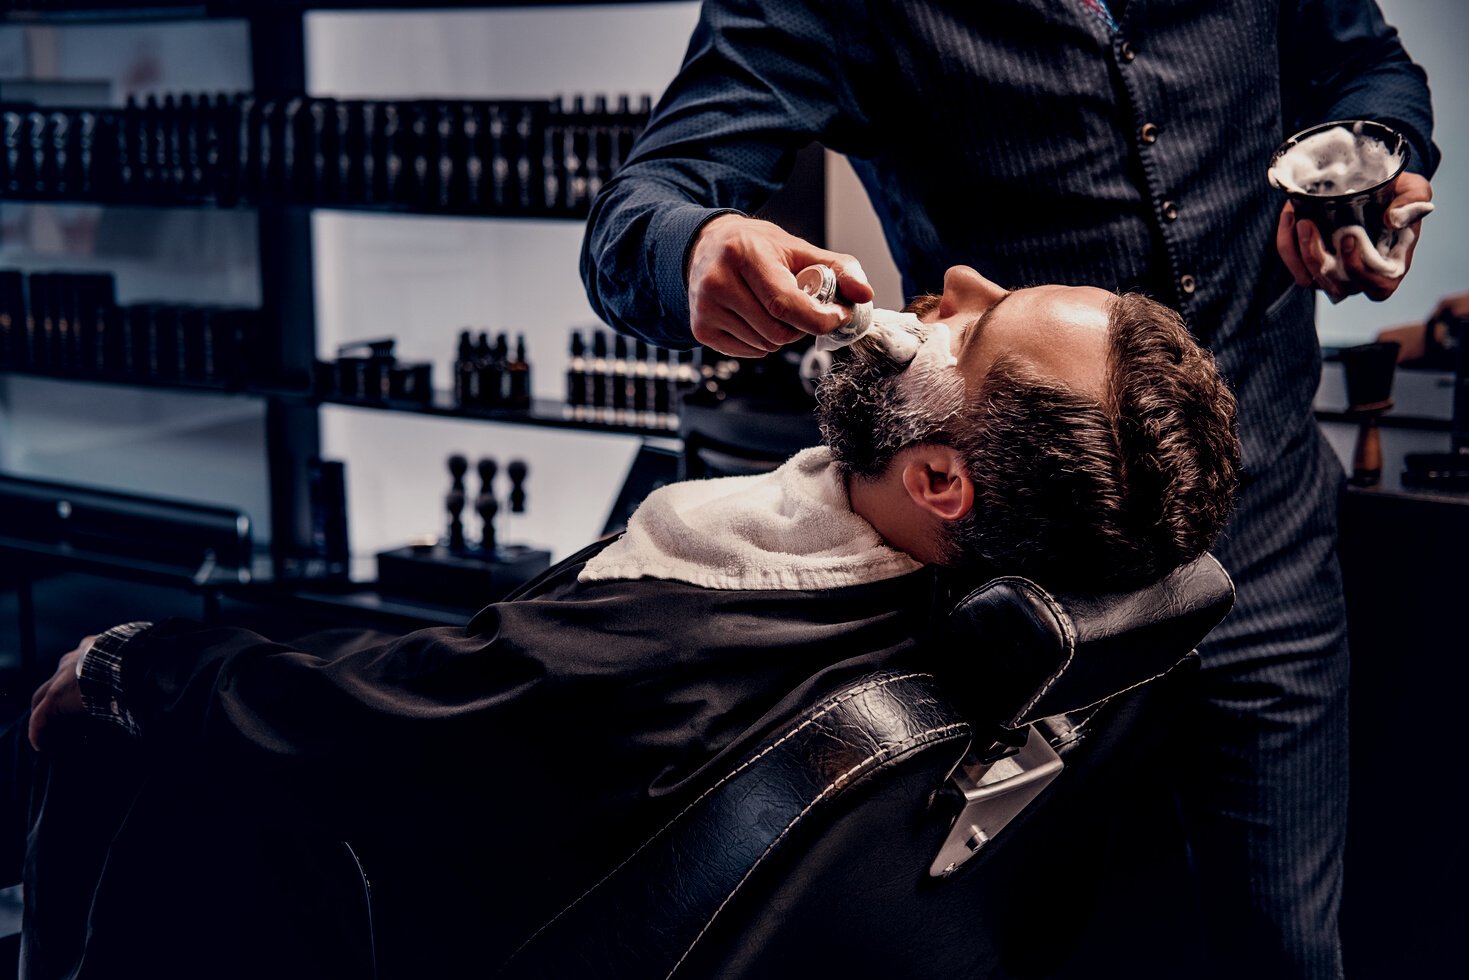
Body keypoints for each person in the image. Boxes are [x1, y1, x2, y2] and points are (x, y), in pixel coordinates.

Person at [12, 269, 1238, 979]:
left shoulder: (670, 650)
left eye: (968, 331)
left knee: (160, 763)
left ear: (936, 486)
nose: (949, 288)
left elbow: (376, 720)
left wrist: (135, 671)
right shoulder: (993, 616)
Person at [580, 2, 1439, 976]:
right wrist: (693, 246)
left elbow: (1369, 72)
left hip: (1267, 528)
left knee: (1281, 946)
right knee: (1017, 947)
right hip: (1019, 591)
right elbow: (636, 213)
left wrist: (1381, 168)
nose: (955, 287)